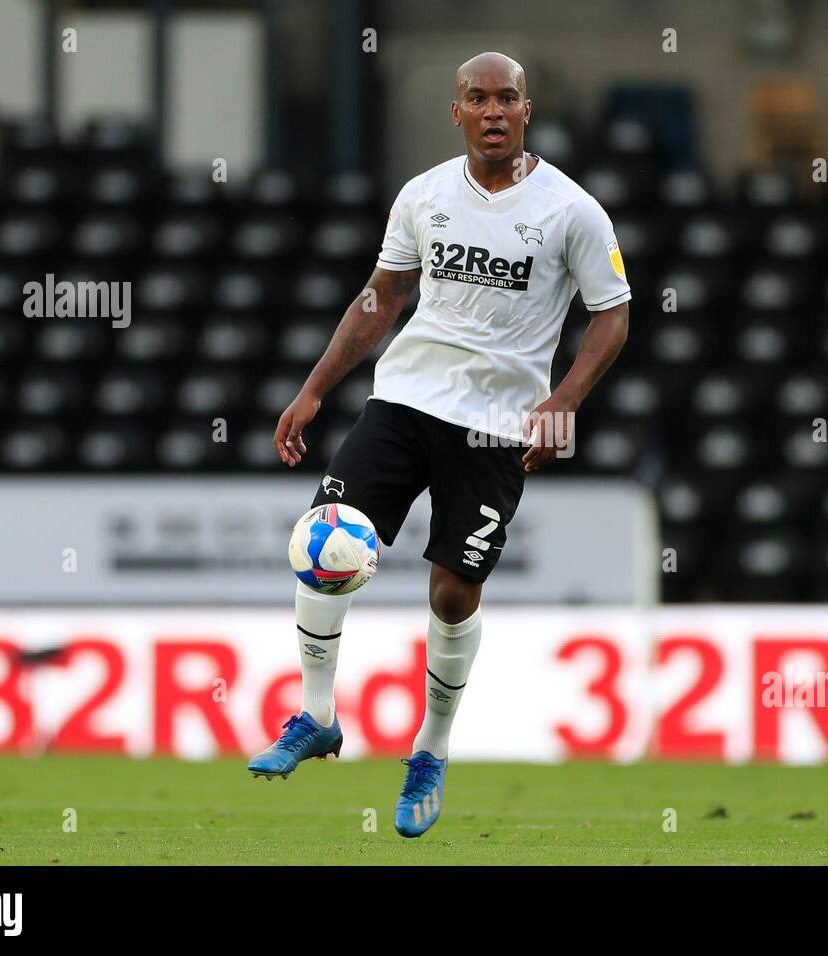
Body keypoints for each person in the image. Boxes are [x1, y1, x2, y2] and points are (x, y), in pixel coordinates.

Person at [247, 52, 632, 838]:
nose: (493, 112)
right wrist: (316, 386)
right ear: (455, 112)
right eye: (476, 99)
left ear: (528, 110)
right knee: (326, 542)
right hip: (404, 401)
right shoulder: (423, 196)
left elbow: (612, 314)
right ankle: (316, 716)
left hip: (494, 425)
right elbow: (381, 297)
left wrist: (562, 401)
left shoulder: (573, 211)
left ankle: (430, 747)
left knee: (452, 593)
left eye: (508, 99)